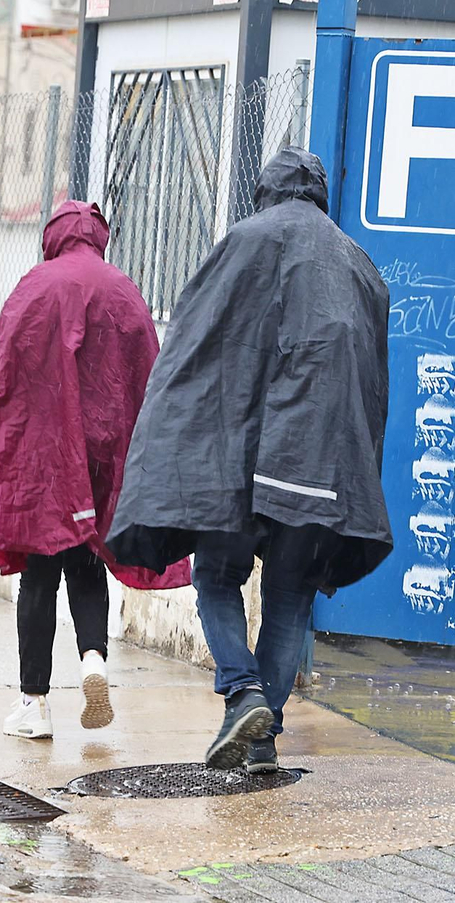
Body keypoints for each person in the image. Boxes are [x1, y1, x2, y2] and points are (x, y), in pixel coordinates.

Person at [107, 147, 392, 774]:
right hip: (321, 463)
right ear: (320, 193)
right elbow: (373, 386)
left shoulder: (242, 240)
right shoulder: (359, 264)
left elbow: (192, 350)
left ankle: (243, 694)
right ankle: (262, 741)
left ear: (263, 190)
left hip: (238, 456)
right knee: (290, 596)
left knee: (216, 575)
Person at [0, 201, 191, 740]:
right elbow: (147, 375)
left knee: (40, 575)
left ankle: (34, 705)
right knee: (87, 561)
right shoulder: (124, 290)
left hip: (46, 456)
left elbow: (3, 378)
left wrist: (0, 449)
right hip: (101, 453)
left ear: (55, 238)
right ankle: (93, 662)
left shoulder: (35, 287)